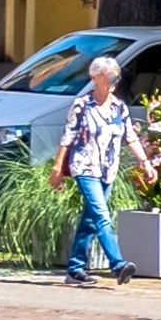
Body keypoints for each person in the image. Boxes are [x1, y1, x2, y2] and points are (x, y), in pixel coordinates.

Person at [54, 51, 139, 286]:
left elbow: (130, 137)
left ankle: (75, 268)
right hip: (85, 166)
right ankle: (118, 264)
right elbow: (67, 137)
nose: (114, 79)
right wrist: (57, 168)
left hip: (108, 170)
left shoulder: (120, 108)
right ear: (95, 78)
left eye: (116, 75)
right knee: (101, 216)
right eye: (108, 75)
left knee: (90, 220)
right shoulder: (82, 105)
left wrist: (145, 162)